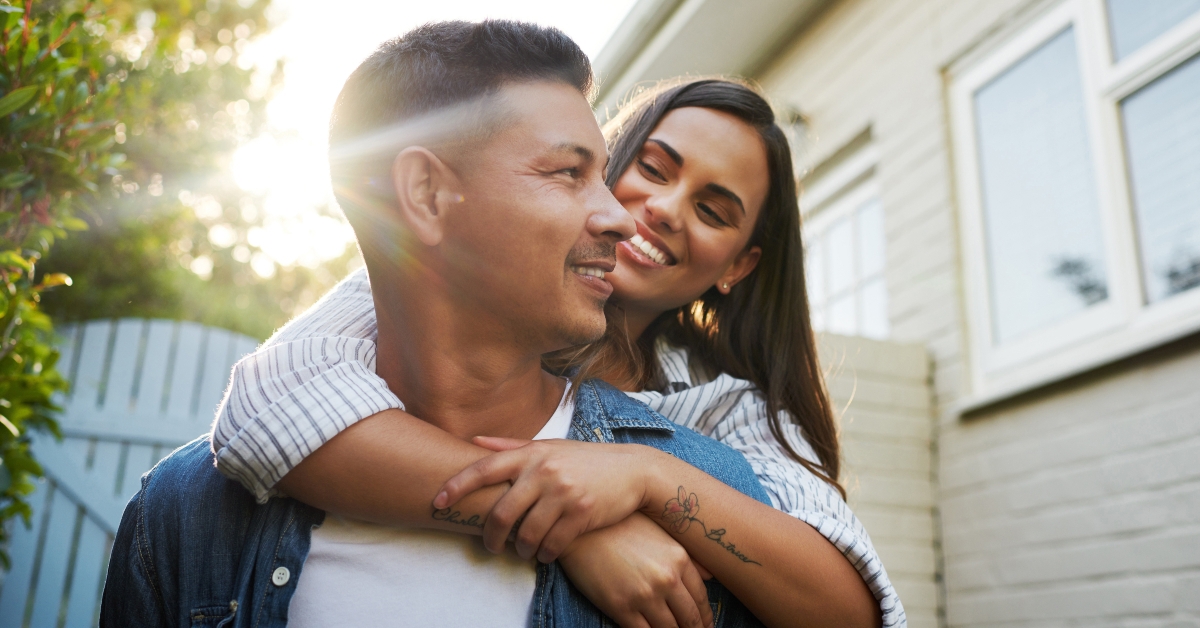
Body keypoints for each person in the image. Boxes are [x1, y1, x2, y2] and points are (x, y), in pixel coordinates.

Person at [100, 21, 778, 628]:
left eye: (603, 174)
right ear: (425, 195)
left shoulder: (703, 488)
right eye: (569, 173)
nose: (621, 217)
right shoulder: (184, 515)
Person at [213, 71, 901, 628]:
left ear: (737, 267)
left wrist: (648, 476)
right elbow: (264, 405)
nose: (665, 208)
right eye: (654, 169)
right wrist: (575, 528)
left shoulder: (720, 412)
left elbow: (846, 610)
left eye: (713, 210)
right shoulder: (443, 284)